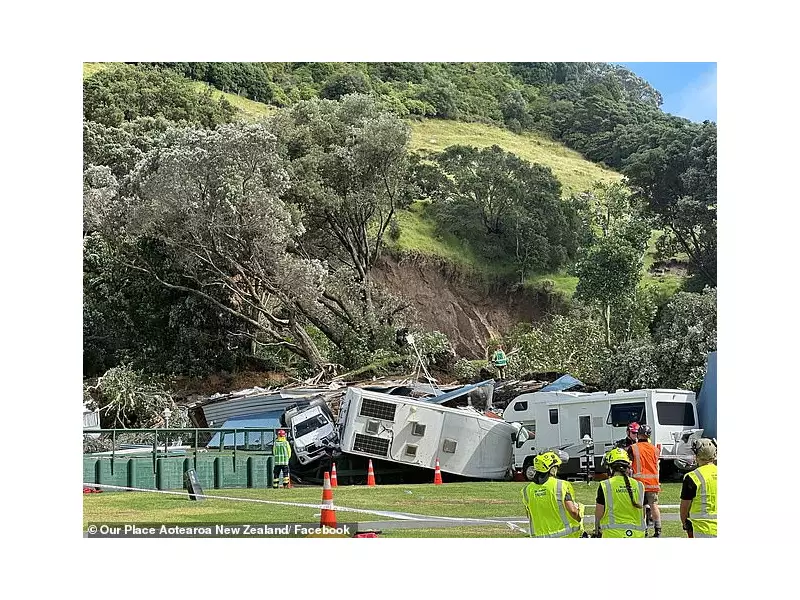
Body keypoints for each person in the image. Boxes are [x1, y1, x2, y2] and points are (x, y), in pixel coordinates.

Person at [521, 451, 585, 537]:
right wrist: (579, 515)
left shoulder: (527, 490)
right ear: (552, 468)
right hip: (564, 535)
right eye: (556, 467)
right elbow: (573, 511)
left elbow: (530, 515)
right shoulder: (561, 485)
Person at [593, 448, 646, 538]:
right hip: (637, 535)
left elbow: (599, 513)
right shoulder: (639, 485)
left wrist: (597, 530)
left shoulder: (605, 485)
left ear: (610, 468)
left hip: (612, 534)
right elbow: (643, 513)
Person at [629, 424, 662, 537]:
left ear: (638, 434)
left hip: (639, 483)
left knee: (641, 507)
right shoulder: (655, 449)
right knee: (654, 505)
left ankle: (644, 530)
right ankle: (658, 529)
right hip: (653, 483)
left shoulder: (633, 448)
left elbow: (630, 464)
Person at [680, 438, 717, 538]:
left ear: (697, 456)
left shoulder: (692, 477)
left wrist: (685, 524)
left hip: (702, 530)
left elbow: (684, 507)